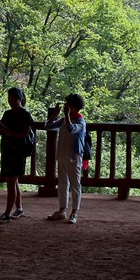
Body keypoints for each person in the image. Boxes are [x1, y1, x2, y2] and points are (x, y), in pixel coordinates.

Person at [0, 87, 34, 223]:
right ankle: (19, 208)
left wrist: (7, 131)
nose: (10, 100)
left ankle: (7, 213)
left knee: (11, 181)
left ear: (20, 98)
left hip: (18, 151)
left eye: (13, 98)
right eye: (9, 98)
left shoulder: (25, 115)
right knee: (12, 181)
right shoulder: (7, 113)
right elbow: (1, 131)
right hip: (7, 149)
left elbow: (24, 134)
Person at [45, 93, 87, 224]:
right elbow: (48, 126)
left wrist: (67, 116)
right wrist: (55, 114)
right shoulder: (64, 119)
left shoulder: (80, 121)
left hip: (74, 157)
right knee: (62, 184)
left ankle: (74, 213)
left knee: (75, 185)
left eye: (68, 104)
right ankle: (62, 211)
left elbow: (71, 129)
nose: (65, 106)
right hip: (62, 155)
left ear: (74, 107)